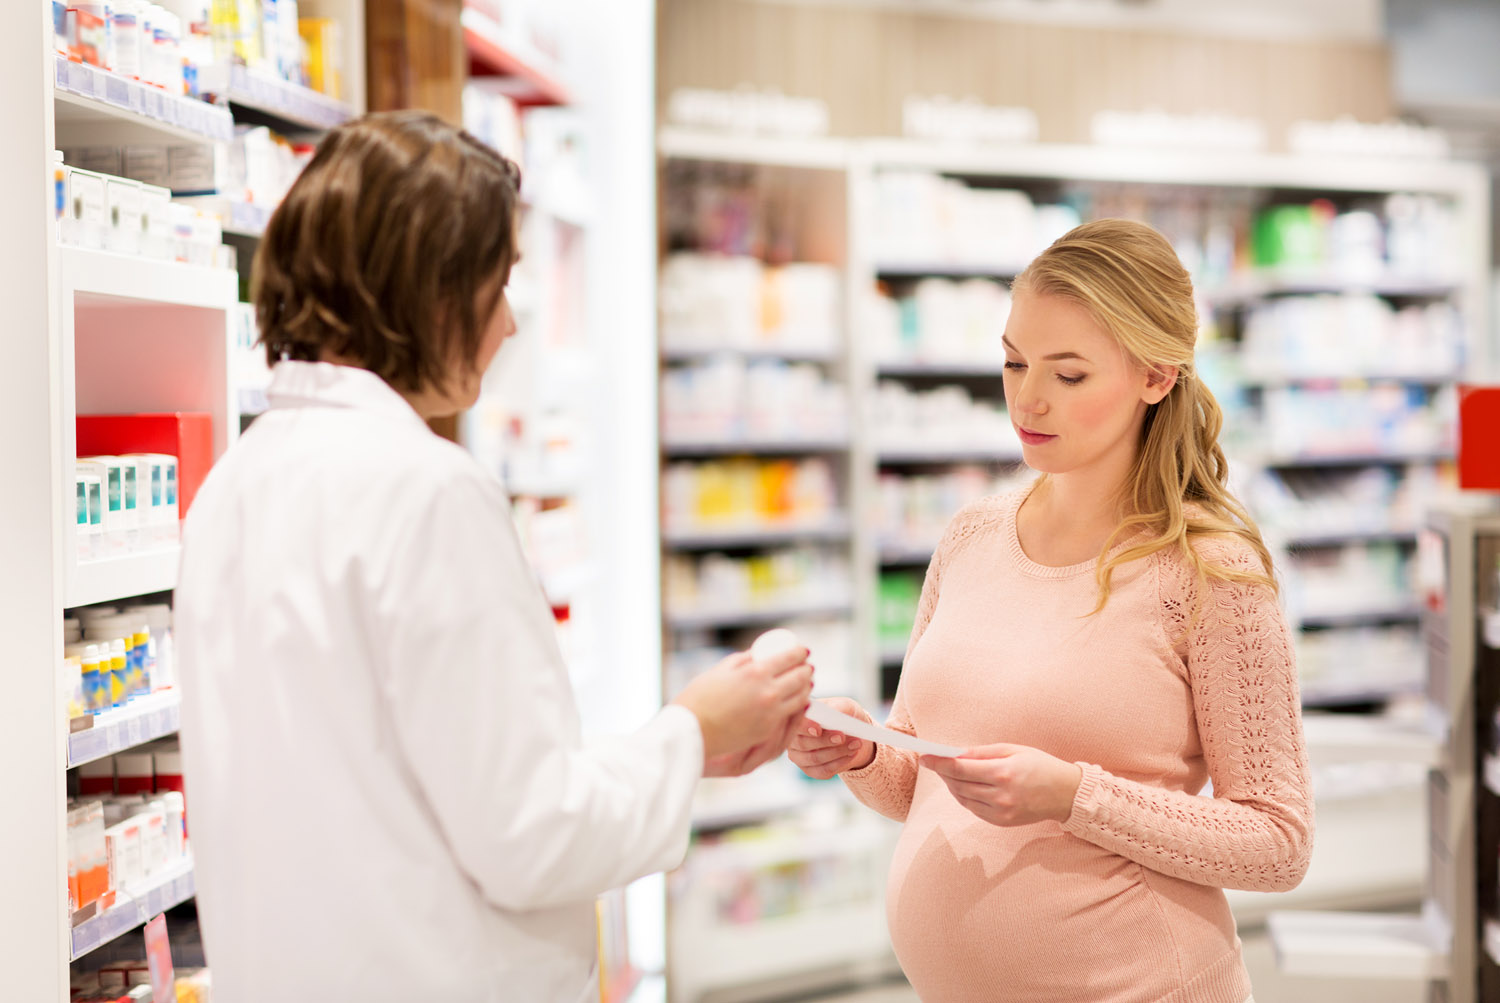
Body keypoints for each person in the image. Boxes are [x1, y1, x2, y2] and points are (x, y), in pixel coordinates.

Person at [173, 111, 814, 1002]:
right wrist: (693, 732)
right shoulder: (423, 489)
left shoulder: (236, 483)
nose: (509, 323)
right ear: (430, 287)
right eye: (498, 282)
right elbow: (533, 834)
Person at [789, 219, 1311, 1003]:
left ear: (1156, 376)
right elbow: (924, 781)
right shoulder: (971, 537)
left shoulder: (1209, 573)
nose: (1028, 397)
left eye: (1068, 375)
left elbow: (1278, 841)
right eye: (1013, 361)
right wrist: (863, 752)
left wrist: (1075, 796)